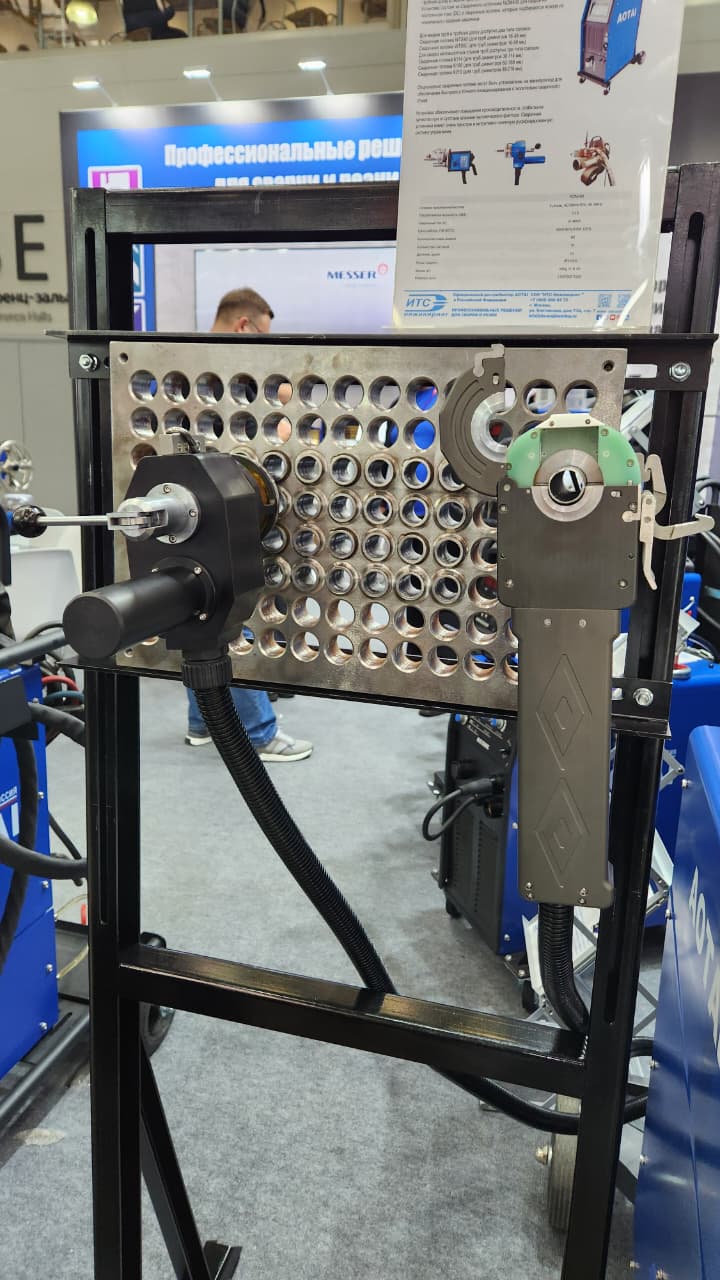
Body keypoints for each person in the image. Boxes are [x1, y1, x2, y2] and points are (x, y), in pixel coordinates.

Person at [185, 287, 312, 762]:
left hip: (189, 511)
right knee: (239, 619)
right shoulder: (232, 374)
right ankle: (257, 732)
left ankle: (203, 720)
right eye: (264, 333)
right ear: (245, 325)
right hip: (231, 512)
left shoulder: (183, 369)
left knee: (194, 612)